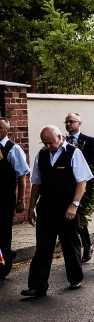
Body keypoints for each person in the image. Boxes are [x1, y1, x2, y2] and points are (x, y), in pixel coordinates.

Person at [21, 126, 93, 297]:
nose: (48, 146)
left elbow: (82, 182)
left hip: (67, 206)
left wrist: (74, 205)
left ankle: (75, 278)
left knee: (70, 243)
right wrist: (31, 208)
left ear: (60, 137)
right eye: (44, 143)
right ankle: (37, 285)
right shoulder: (42, 155)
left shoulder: (73, 153)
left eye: (50, 143)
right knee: (43, 247)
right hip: (46, 207)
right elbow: (36, 183)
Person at [64, 113, 94, 263]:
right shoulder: (62, 141)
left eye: (71, 121)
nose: (68, 124)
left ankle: (87, 245)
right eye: (66, 122)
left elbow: (93, 163)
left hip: (83, 185)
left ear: (79, 123)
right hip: (66, 186)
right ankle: (74, 248)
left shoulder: (89, 141)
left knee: (80, 217)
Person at [1, 117, 30, 282]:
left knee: (3, 234)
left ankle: (3, 268)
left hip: (5, 198)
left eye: (0, 127)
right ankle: (6, 255)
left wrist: (21, 200)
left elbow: (22, 176)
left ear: (7, 130)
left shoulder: (13, 149)